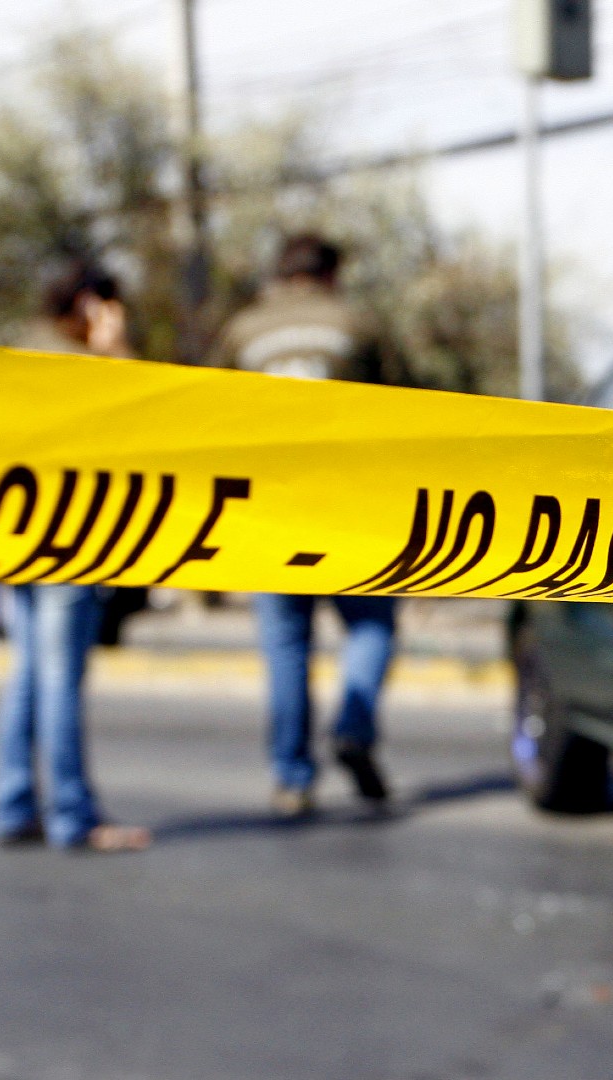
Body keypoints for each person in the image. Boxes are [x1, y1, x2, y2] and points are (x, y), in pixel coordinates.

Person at [212, 234, 395, 817]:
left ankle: (292, 778)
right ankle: (355, 722)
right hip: (353, 508)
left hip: (272, 512)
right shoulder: (359, 325)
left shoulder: (244, 333)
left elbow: (209, 414)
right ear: (332, 276)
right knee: (371, 625)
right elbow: (414, 409)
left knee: (287, 648)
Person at [0, 261, 151, 853]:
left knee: (28, 674)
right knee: (59, 678)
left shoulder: (18, 350)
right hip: (69, 540)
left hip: (14, 539)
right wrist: (117, 350)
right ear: (88, 305)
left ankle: (12, 806)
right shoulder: (78, 362)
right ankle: (73, 816)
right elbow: (143, 414)